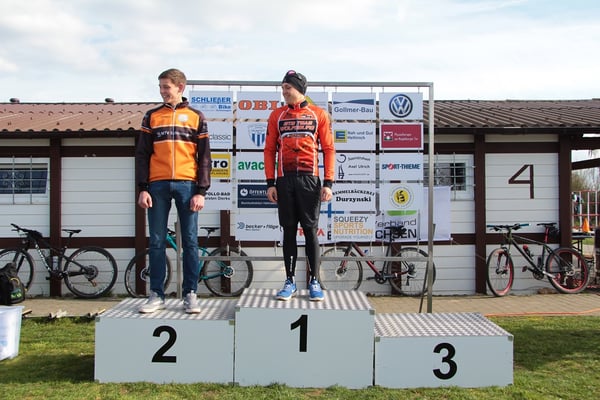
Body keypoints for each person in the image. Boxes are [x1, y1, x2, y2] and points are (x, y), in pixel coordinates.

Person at [135, 68, 211, 313]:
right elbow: (142, 155)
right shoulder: (152, 116)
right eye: (160, 87)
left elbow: (204, 158)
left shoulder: (196, 116)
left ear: (180, 87)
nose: (162, 91)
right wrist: (143, 188)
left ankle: (190, 293)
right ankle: (156, 294)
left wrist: (201, 191)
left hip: (187, 185)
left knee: (190, 241)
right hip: (157, 185)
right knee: (157, 240)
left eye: (166, 87)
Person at [264, 70, 335, 301]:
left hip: (309, 180)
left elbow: (329, 149)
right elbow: (269, 150)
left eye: (288, 87)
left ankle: (314, 280)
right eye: (282, 88)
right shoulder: (277, 115)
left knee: (311, 230)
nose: (284, 91)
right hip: (285, 180)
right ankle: (290, 280)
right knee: (288, 230)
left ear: (299, 89)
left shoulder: (318, 114)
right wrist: (270, 182)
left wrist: (328, 182)